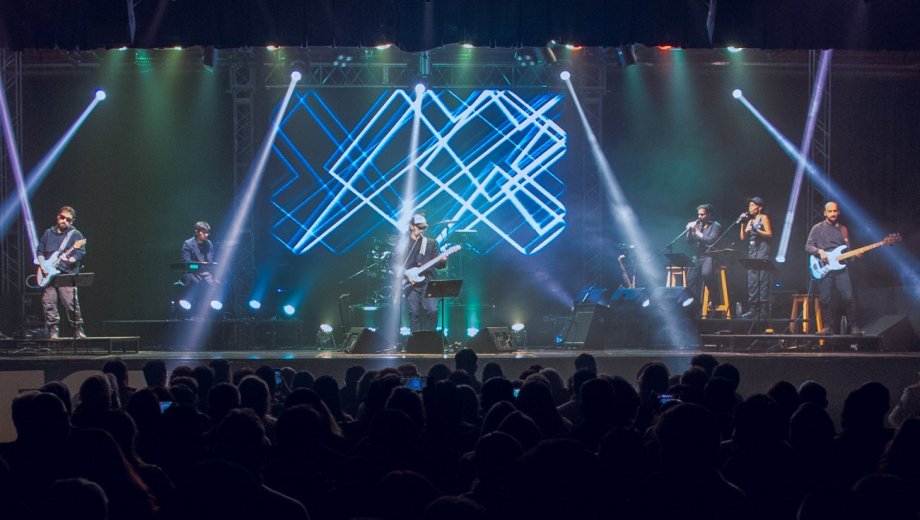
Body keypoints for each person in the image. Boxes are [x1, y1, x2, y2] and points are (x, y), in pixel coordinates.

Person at [805, 201, 859, 335]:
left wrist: (855, 255)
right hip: (824, 267)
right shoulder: (817, 228)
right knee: (825, 299)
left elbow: (847, 251)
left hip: (841, 268)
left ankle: (853, 326)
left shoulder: (843, 229)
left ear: (838, 212)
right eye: (830, 211)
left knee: (848, 297)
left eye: (835, 211)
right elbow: (808, 246)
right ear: (825, 213)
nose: (833, 213)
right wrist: (820, 251)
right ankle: (827, 327)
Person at [36, 206, 86, 339]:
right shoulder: (48, 233)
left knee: (70, 303)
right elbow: (40, 250)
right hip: (48, 274)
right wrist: (43, 264)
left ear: (72, 221)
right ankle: (53, 330)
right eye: (63, 218)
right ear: (58, 216)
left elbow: (80, 252)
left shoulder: (75, 234)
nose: (65, 221)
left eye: (68, 220)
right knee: (49, 303)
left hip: (66, 274)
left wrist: (71, 259)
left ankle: (78, 329)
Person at [402, 214, 447, 332]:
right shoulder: (403, 244)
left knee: (433, 311)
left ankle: (429, 337)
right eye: (419, 227)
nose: (421, 230)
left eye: (423, 227)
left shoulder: (431, 243)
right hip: (411, 284)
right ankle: (416, 339)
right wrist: (406, 274)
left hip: (427, 283)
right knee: (414, 314)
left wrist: (442, 260)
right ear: (412, 226)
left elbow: (439, 265)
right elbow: (394, 264)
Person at [739, 196, 773, 319]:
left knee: (762, 279)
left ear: (760, 207)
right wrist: (743, 224)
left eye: (753, 205)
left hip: (762, 249)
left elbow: (769, 234)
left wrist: (756, 230)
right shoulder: (750, 221)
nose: (750, 208)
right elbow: (742, 237)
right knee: (752, 279)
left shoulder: (763, 218)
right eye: (749, 206)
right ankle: (753, 308)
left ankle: (763, 309)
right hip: (752, 250)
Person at [686, 204, 723, 313]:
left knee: (706, 275)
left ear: (709, 214)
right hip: (698, 255)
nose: (699, 216)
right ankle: (695, 306)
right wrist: (689, 231)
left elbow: (710, 241)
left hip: (710, 255)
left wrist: (697, 231)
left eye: (702, 214)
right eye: (698, 214)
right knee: (690, 279)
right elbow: (689, 241)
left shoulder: (716, 226)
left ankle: (715, 300)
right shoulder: (698, 225)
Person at [180, 221, 215, 286]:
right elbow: (187, 264)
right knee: (199, 285)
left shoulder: (209, 243)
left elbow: (210, 261)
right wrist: (200, 264)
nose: (206, 235)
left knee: (216, 285)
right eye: (204, 232)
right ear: (196, 232)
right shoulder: (188, 244)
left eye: (207, 232)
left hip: (206, 273)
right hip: (192, 271)